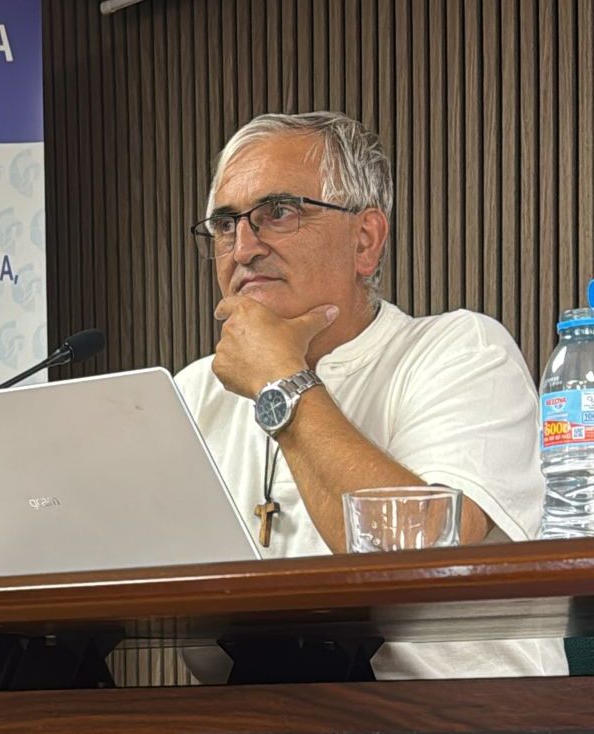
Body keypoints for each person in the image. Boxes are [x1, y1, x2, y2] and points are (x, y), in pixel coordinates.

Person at [177, 111, 567, 679]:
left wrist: (280, 381)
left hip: (457, 719)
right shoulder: (192, 393)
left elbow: (413, 561)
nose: (242, 249)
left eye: (277, 213)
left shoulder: (462, 351)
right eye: (225, 224)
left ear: (365, 240)